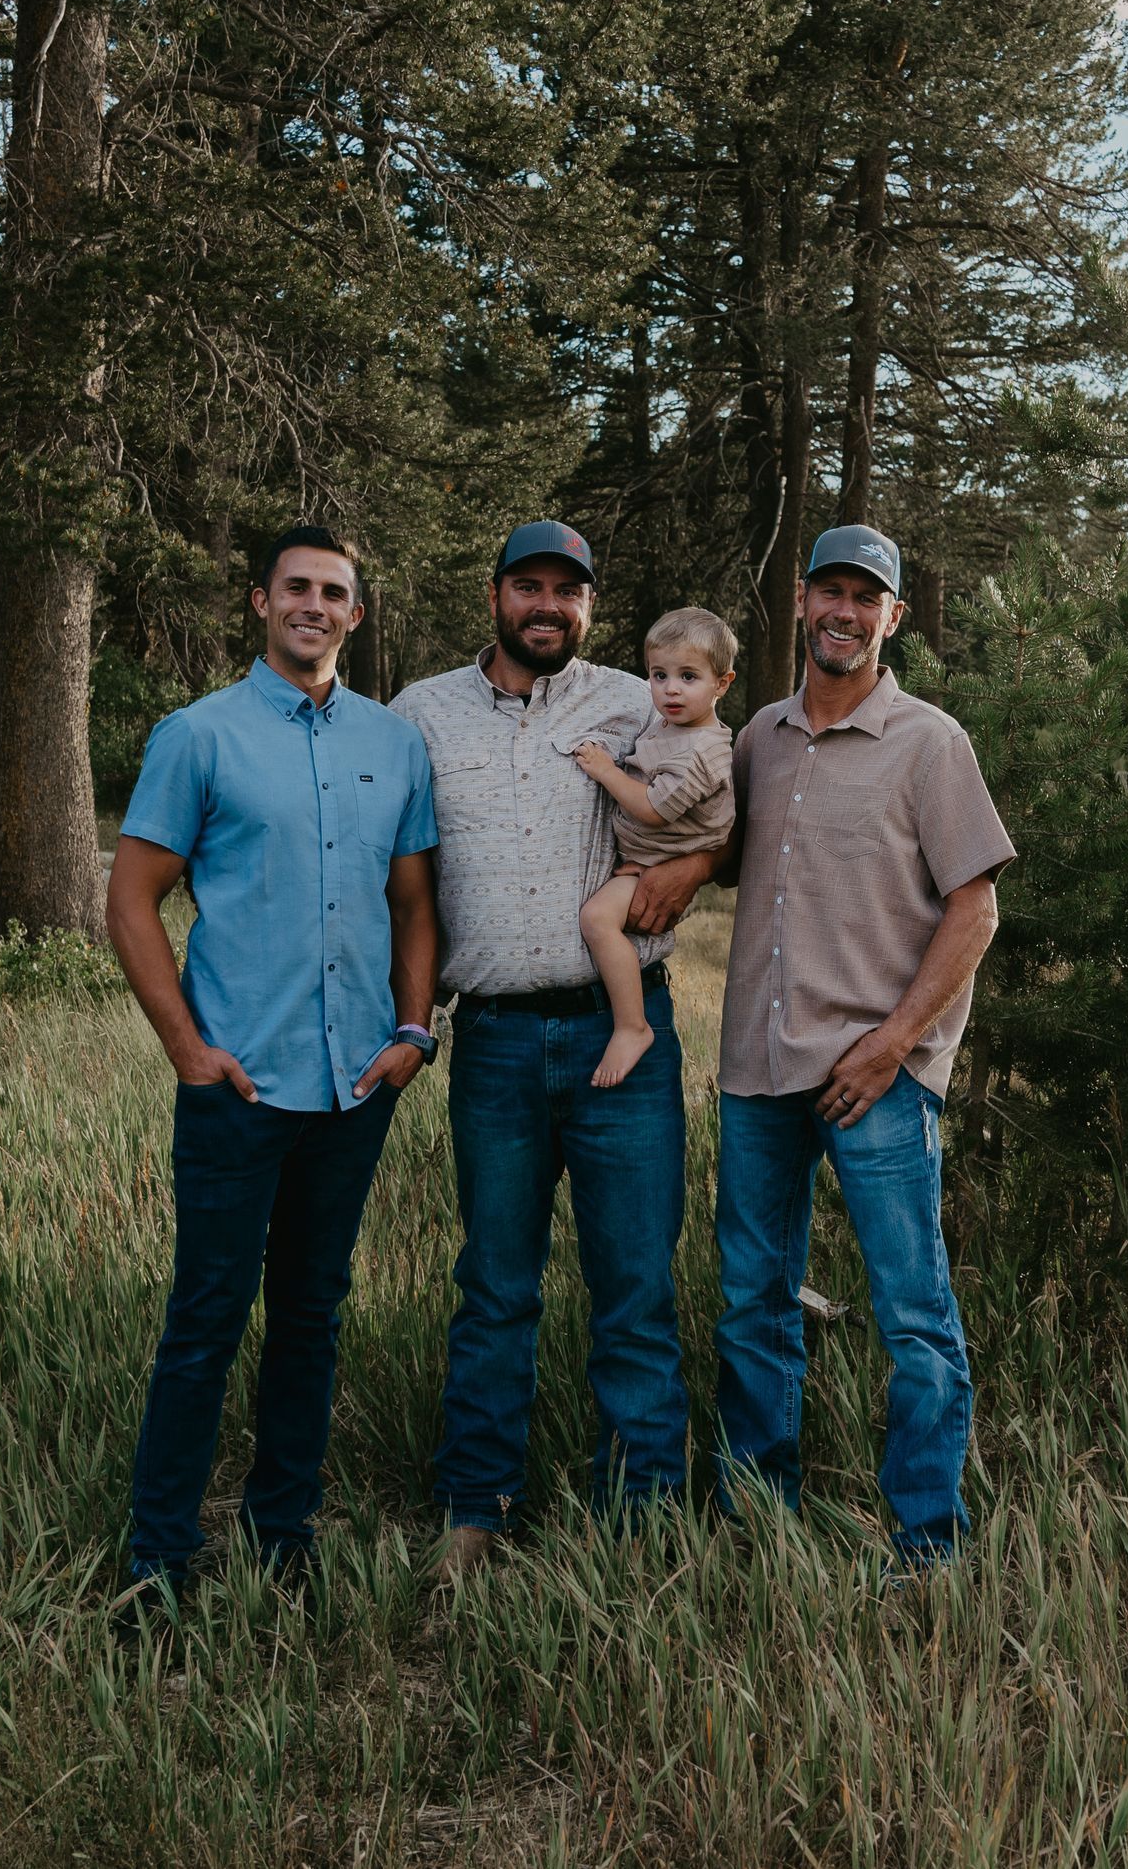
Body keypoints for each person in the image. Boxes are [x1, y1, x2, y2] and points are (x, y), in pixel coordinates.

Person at [106, 524, 439, 1620]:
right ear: (261, 601)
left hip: (355, 1090)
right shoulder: (199, 735)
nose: (314, 604)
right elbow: (131, 900)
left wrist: (413, 1029)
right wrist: (187, 1050)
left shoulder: (394, 744)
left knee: (312, 1315)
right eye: (296, 586)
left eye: (334, 591)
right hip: (238, 1087)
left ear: (355, 613)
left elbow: (413, 903)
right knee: (205, 1317)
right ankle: (159, 1558)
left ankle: (282, 1536)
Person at [392, 522, 716, 1585]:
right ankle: (476, 1509)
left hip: (622, 1031)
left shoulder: (639, 701)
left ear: (589, 606)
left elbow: (729, 796)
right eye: (528, 585)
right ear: (495, 595)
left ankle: (643, 1519)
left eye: (566, 590)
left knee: (635, 1285)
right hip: (492, 1041)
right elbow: (391, 866)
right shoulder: (421, 712)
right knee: (495, 1285)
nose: (547, 605)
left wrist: (700, 862)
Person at [713, 522, 1015, 1573]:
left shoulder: (930, 742)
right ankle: (759, 1520)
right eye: (829, 590)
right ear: (801, 599)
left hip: (877, 1078)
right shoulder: (758, 737)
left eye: (865, 597)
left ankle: (927, 1542)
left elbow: (975, 911)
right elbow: (703, 852)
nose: (844, 611)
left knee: (913, 1314)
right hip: (758, 1068)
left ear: (893, 616)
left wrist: (894, 1043)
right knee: (752, 1302)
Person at [570, 606, 737, 1086]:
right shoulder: (671, 727)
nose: (671, 689)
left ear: (722, 683)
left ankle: (632, 1026)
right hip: (645, 857)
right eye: (659, 675)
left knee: (597, 919)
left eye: (688, 676)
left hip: (661, 862)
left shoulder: (702, 752)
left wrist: (605, 770)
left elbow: (652, 809)